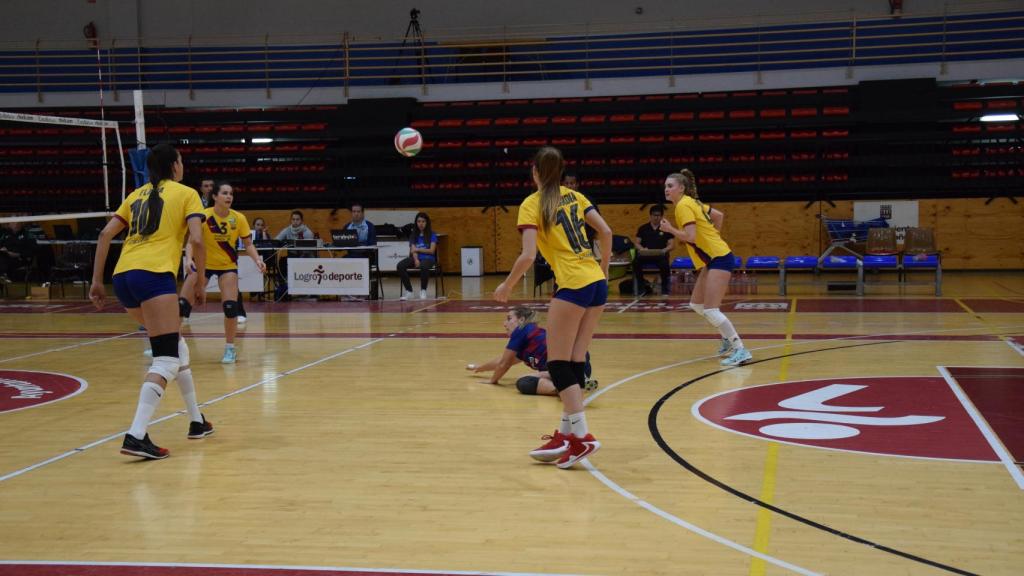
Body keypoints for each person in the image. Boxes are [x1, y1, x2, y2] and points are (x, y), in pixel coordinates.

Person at [88, 143, 213, 460]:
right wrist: (198, 280)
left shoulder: (135, 194)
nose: (183, 165)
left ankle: (197, 421)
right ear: (174, 165)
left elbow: (104, 235)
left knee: (176, 345)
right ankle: (136, 434)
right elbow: (197, 239)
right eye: (181, 160)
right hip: (153, 275)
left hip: (123, 276)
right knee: (167, 360)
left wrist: (96, 282)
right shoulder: (186, 193)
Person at [494, 146, 612, 470]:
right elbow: (606, 231)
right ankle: (565, 434)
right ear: (561, 172)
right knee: (575, 362)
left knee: (557, 364)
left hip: (573, 285)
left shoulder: (531, 204)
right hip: (597, 284)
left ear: (534, 172)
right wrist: (603, 267)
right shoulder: (576, 196)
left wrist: (506, 285)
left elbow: (529, 256)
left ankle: (582, 437)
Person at [658, 168, 751, 366]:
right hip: (713, 258)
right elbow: (719, 216)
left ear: (681, 188)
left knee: (710, 309)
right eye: (665, 186)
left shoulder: (683, 206)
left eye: (670, 186)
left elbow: (690, 237)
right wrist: (713, 238)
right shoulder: (693, 202)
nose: (666, 189)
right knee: (696, 305)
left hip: (719, 257)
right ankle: (726, 339)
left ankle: (740, 349)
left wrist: (670, 229)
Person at [180, 182, 266, 364]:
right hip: (202, 264)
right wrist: (188, 260)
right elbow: (190, 242)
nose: (229, 197)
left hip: (227, 265)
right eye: (225, 193)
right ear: (215, 197)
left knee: (230, 308)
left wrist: (257, 259)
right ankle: (168, 345)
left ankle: (229, 348)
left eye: (231, 194)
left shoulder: (239, 218)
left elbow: (248, 244)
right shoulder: (203, 216)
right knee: (181, 305)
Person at [466, 305, 597, 396]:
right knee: (526, 381)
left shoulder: (522, 330)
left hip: (566, 364)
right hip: (581, 366)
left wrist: (492, 381)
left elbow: (504, 364)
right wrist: (480, 368)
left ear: (522, 320)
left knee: (523, 380)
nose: (504, 324)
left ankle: (567, 387)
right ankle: (571, 385)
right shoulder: (528, 342)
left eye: (509, 318)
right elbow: (503, 360)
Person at [633, 204, 674, 295]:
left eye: (659, 215)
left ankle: (665, 290)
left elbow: (671, 245)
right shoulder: (643, 228)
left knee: (665, 265)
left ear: (662, 216)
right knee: (636, 262)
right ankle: (641, 288)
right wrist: (642, 249)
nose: (656, 217)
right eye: (654, 215)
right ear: (650, 216)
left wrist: (664, 250)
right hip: (646, 255)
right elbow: (637, 243)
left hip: (660, 255)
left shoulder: (666, 229)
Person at [396, 211, 438, 300]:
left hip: (428, 258)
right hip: (416, 258)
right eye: (419, 221)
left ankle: (423, 290)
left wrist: (418, 249)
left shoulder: (432, 234)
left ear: (427, 223)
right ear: (416, 223)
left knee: (424, 266)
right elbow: (413, 250)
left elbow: (431, 251)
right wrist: (416, 260)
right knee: (400, 265)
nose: (421, 224)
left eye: (423, 221)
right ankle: (409, 291)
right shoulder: (413, 235)